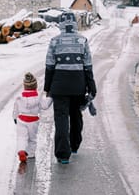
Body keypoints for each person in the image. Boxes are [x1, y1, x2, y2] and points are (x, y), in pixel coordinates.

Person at [44, 12, 97, 164]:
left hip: (59, 86)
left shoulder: (54, 41)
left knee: (61, 119)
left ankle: (62, 154)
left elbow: (49, 66)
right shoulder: (82, 40)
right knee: (76, 116)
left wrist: (47, 88)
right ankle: (74, 145)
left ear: (61, 24)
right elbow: (88, 66)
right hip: (78, 85)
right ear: (75, 23)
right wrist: (91, 87)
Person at [13, 72, 52, 163]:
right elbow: (45, 106)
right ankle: (30, 154)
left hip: (21, 119)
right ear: (35, 85)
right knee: (32, 139)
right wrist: (50, 97)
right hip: (33, 121)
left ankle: (21, 150)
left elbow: (16, 109)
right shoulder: (38, 97)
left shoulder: (19, 97)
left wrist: (15, 118)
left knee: (21, 137)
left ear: (24, 86)